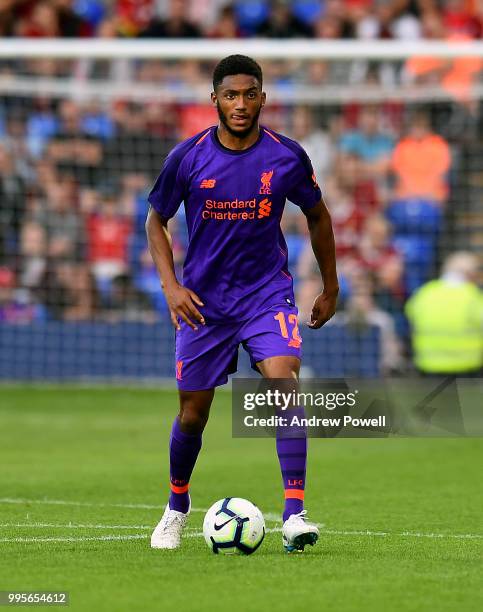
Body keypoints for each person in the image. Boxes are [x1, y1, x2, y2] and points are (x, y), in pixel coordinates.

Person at [145, 55, 338, 552]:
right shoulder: (186, 159)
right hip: (203, 303)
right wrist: (170, 285)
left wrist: (331, 285)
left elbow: (318, 215)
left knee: (284, 385)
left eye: (249, 94)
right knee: (193, 414)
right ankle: (176, 506)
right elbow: (156, 221)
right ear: (214, 99)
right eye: (230, 95)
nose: (240, 104)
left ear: (262, 99)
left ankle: (294, 514)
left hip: (265, 295)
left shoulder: (286, 157)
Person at [405, 252, 482, 376]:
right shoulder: (472, 295)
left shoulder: (424, 292)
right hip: (466, 368)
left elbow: (410, 316)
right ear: (469, 274)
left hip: (428, 366)